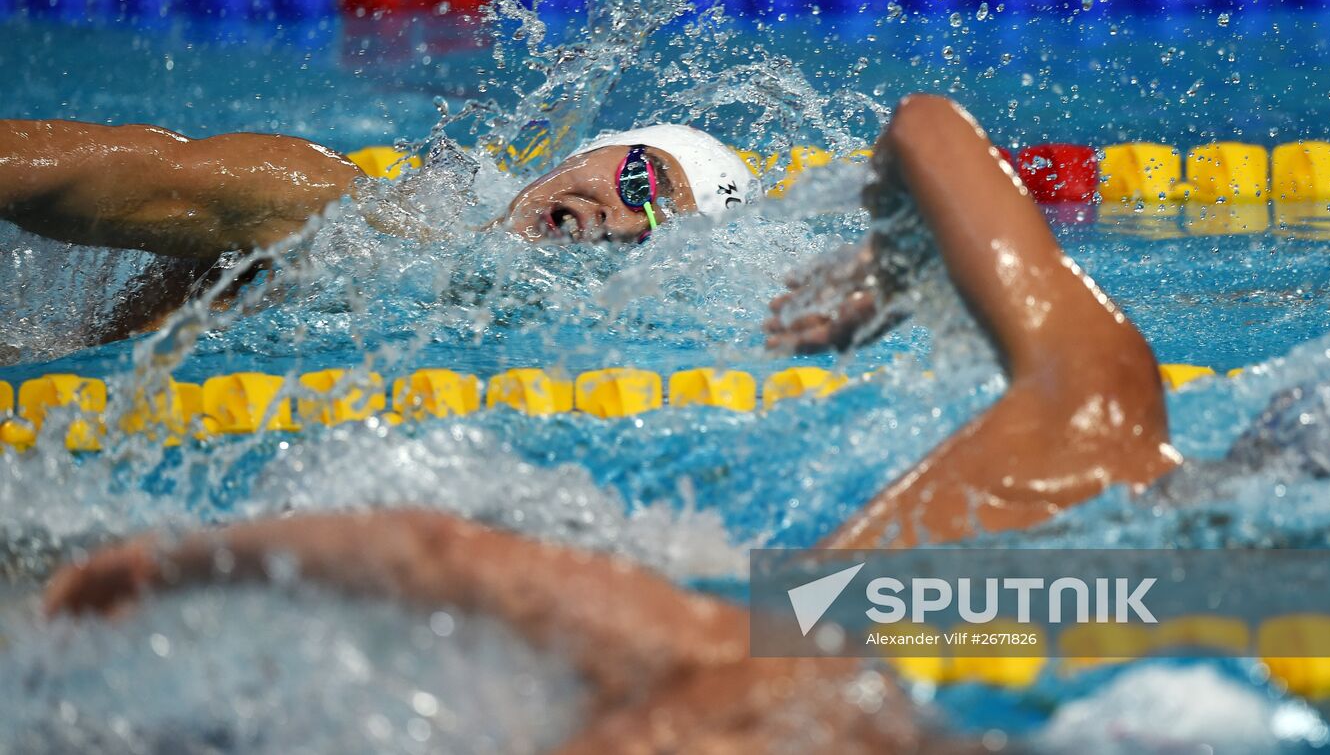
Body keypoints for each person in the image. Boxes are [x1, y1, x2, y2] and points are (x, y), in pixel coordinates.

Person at [44, 94, 1175, 752]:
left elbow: (450, 550)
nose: (612, 212)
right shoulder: (350, 208)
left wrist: (176, 559)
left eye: (650, 215)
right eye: (636, 171)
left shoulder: (790, 648)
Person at [0, 119, 758, 342]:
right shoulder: (329, 209)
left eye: (654, 231)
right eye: (642, 179)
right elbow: (105, 172)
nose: (622, 220)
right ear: (595, 148)